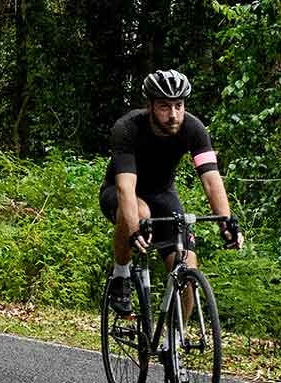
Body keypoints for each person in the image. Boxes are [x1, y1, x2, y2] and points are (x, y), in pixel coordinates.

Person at [101, 69, 244, 315]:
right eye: (165, 107)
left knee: (187, 268)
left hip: (164, 195)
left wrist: (226, 222)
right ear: (151, 106)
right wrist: (134, 229)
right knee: (140, 210)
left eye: (179, 105)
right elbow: (126, 187)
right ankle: (121, 275)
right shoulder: (127, 128)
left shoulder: (194, 128)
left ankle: (174, 342)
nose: (173, 114)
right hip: (121, 191)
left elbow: (211, 180)